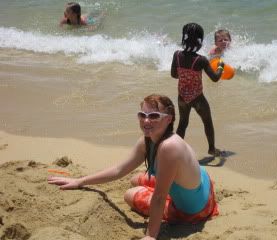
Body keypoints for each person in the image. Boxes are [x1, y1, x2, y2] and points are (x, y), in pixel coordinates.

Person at [48, 94, 219, 240]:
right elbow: (119, 170)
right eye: (142, 115)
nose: (146, 120)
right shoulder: (148, 140)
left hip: (195, 209)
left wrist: (151, 235)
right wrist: (80, 181)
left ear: (168, 119)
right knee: (134, 179)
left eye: (153, 116)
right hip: (203, 183)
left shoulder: (169, 147)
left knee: (130, 194)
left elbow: (159, 197)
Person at [171, 23, 224, 157]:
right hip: (198, 98)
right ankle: (212, 149)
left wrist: (184, 75)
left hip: (182, 97)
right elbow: (215, 78)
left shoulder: (177, 55)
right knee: (207, 122)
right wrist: (220, 67)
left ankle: (175, 151)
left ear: (184, 38)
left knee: (183, 124)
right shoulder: (201, 60)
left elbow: (174, 75)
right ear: (199, 41)